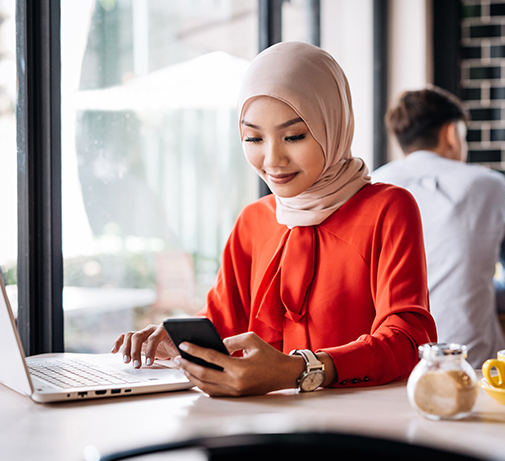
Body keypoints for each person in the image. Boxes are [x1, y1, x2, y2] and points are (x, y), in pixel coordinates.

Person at [111, 42, 437, 396]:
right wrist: (177, 341)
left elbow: (408, 341)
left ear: (333, 124)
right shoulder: (254, 221)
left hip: (355, 431)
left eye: (294, 136)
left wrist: (300, 370)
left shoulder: (387, 209)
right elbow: (221, 324)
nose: (272, 159)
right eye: (253, 137)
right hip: (255, 424)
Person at [372, 86, 505, 368]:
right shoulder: (487, 185)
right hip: (470, 371)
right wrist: (471, 288)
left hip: (387, 367)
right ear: (451, 133)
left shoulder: (374, 186)